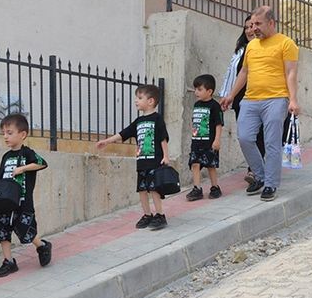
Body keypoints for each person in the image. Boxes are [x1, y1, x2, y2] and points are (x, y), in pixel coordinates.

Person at [220, 6, 300, 201]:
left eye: (258, 24)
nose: (253, 28)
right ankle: (261, 175)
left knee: (272, 142)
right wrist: (231, 95)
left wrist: (293, 99)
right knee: (245, 137)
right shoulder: (252, 46)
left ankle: (270, 184)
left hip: (276, 99)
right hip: (250, 99)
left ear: (271, 23)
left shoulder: (286, 43)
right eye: (252, 24)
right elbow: (244, 73)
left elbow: (291, 73)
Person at [96, 84, 170, 230]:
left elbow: (163, 138)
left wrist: (166, 156)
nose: (136, 100)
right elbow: (124, 133)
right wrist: (107, 141)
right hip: (141, 162)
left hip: (155, 162)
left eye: (140, 97)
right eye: (136, 97)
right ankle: (147, 215)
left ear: (150, 101)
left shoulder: (157, 119)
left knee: (154, 189)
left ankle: (160, 215)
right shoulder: (138, 121)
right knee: (142, 190)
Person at [0, 113, 51, 278]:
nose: (5, 137)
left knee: (25, 229)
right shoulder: (6, 156)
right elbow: (0, 178)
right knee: (1, 229)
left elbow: (42, 163)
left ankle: (42, 246)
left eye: (9, 133)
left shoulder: (27, 153)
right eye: (4, 133)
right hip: (6, 201)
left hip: (23, 202)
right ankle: (9, 262)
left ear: (22, 134)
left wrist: (23, 168)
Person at [219, 15, 265, 185]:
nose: (249, 30)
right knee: (245, 136)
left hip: (259, 97)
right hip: (241, 99)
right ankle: (256, 166)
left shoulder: (262, 48)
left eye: (253, 26)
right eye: (246, 27)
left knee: (258, 135)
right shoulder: (240, 50)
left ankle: (254, 171)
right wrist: (228, 95)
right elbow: (234, 74)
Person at [186, 74, 224, 201]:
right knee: (195, 164)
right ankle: (197, 188)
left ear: (209, 91)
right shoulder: (197, 105)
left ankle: (215, 187)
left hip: (209, 142)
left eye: (199, 89)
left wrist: (217, 140)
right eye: (195, 89)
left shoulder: (215, 106)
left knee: (210, 165)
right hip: (197, 142)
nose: (196, 92)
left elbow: (219, 124)